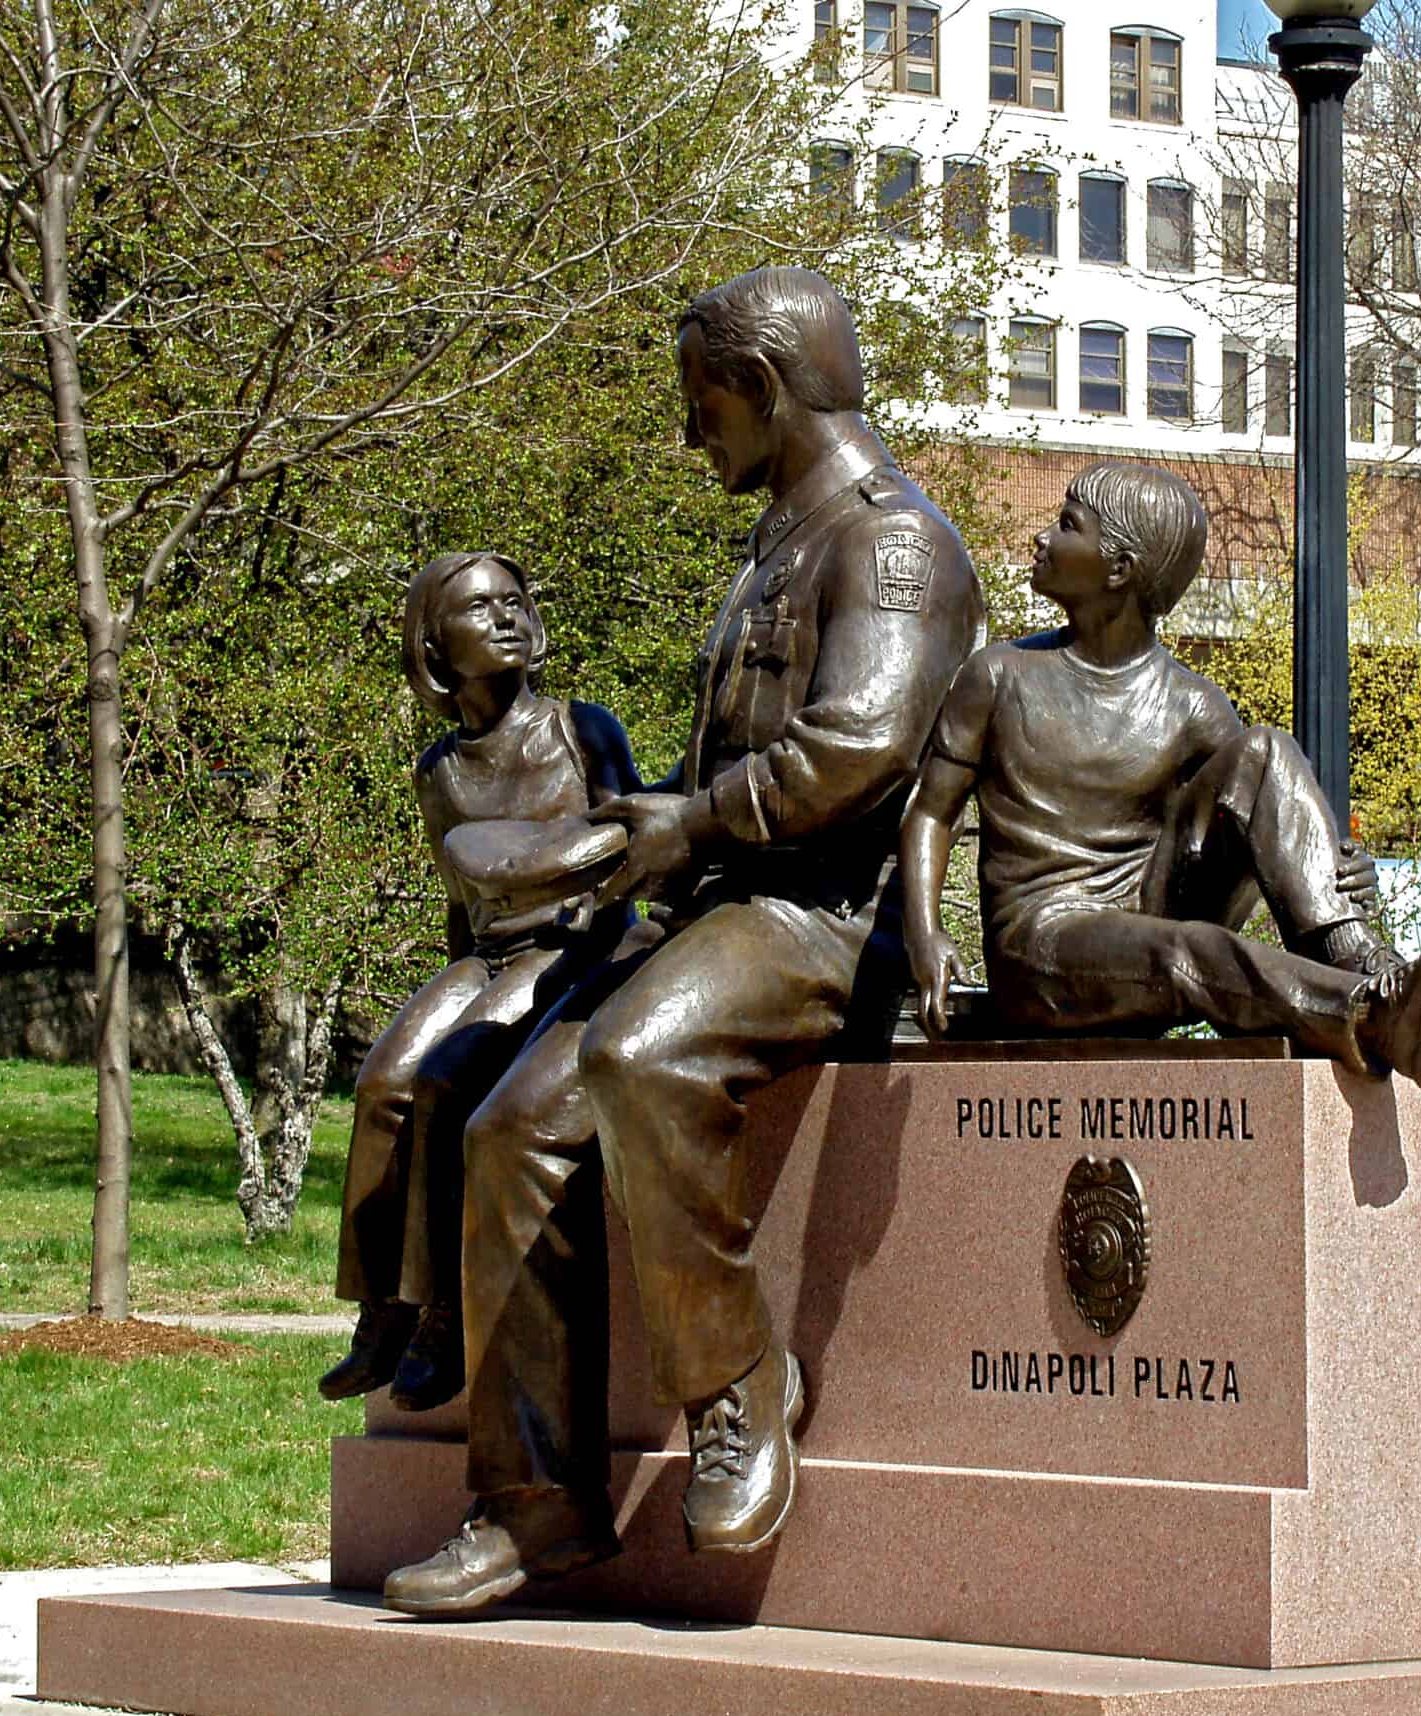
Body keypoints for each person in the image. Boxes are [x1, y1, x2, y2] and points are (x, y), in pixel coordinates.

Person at [380, 267, 985, 1616]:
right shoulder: (780, 540)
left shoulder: (891, 549)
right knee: (504, 1125)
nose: (688, 434)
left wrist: (691, 823)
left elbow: (858, 754)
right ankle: (535, 1506)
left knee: (640, 1055)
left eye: (699, 403)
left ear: (762, 390)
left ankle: (739, 1382)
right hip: (723, 905)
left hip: (830, 919)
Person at [898, 460, 1421, 1085]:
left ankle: (1364, 959)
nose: (1041, 537)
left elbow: (1263, 819)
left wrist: (1337, 871)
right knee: (1190, 952)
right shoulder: (998, 676)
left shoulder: (1193, 705)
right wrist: (925, 935)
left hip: (1147, 912)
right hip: (1042, 946)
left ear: (1119, 569)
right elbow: (930, 811)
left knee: (1266, 752)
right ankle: (1369, 1013)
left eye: (1067, 526)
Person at [319, 553, 640, 1413]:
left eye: (513, 602)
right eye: (477, 608)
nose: (503, 618)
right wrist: (452, 981)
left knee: (446, 1079)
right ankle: (381, 1311)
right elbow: (461, 906)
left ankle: (446, 1312)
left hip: (573, 948)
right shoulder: (439, 772)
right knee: (385, 1078)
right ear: (433, 644)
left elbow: (637, 844)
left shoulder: (582, 728)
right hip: (486, 953)